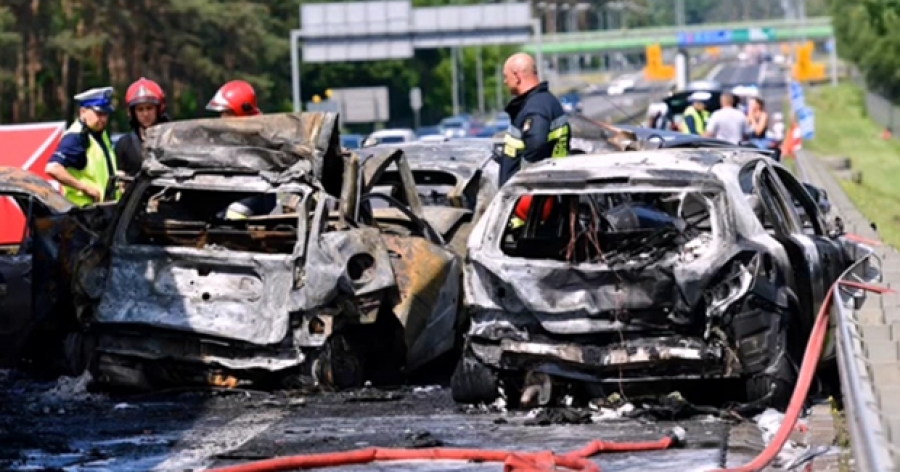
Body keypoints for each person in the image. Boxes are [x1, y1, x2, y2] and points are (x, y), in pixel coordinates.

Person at [499, 53, 570, 187]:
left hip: (531, 192)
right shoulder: (545, 101)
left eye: (506, 76)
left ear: (517, 76)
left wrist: (523, 180)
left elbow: (537, 145)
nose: (505, 81)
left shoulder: (535, 107)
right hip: (549, 185)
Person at [205, 80, 274, 219]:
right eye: (221, 113)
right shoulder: (221, 136)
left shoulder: (261, 135)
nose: (221, 118)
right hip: (229, 192)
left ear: (241, 111)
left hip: (258, 194)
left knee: (235, 213)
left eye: (226, 113)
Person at [45, 87, 119, 206]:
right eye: (99, 114)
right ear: (83, 112)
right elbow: (53, 168)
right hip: (84, 209)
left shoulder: (100, 134)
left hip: (103, 209)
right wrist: (84, 188)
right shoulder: (75, 137)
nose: (103, 119)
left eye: (106, 114)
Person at [115, 78, 170, 176]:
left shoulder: (171, 140)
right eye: (140, 109)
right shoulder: (124, 144)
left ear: (158, 109)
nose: (145, 114)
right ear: (133, 112)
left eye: (149, 108)